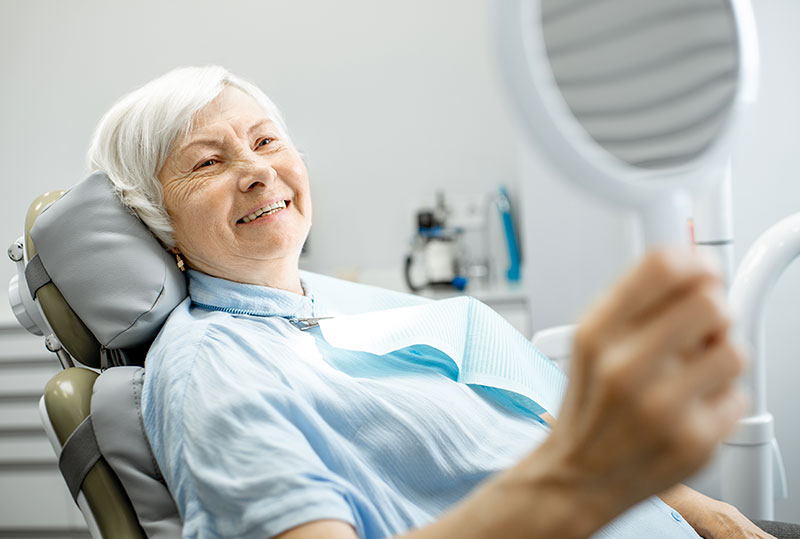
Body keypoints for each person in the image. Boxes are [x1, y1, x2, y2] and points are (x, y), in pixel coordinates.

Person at [87, 65, 783, 539]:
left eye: (267, 140)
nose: (257, 169)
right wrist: (579, 477)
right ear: (157, 219)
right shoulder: (212, 369)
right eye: (208, 162)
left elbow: (532, 408)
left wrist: (698, 506)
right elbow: (573, 457)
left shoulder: (332, 302)